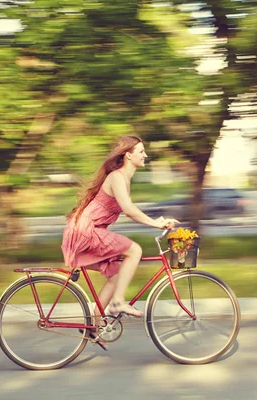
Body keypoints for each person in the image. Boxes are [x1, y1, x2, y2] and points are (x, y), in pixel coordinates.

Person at [61, 135, 178, 350]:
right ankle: (117, 302)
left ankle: (93, 325)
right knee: (134, 250)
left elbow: (131, 209)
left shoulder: (123, 178)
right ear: (128, 154)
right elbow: (129, 209)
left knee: (116, 274)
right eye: (141, 151)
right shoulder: (117, 177)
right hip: (87, 231)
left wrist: (156, 221)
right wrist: (155, 224)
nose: (145, 155)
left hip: (88, 230)